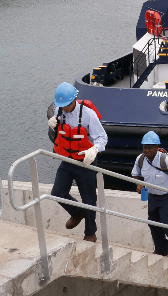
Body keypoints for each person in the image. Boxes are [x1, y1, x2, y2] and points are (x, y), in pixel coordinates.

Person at [48, 82, 106, 242]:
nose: (64, 108)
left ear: (74, 99)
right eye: (61, 105)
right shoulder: (59, 109)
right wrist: (53, 121)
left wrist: (94, 150)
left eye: (66, 104)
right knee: (57, 192)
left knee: (89, 199)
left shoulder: (88, 115)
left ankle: (90, 233)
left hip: (85, 162)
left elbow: (102, 137)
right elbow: (58, 126)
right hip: (67, 160)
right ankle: (77, 211)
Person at [131, 131, 168, 256]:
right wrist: (138, 184)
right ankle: (161, 249)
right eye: (145, 147)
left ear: (157, 148)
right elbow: (135, 174)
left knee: (165, 221)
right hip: (153, 195)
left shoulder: (165, 160)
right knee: (153, 222)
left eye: (150, 148)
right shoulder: (140, 159)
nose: (147, 150)